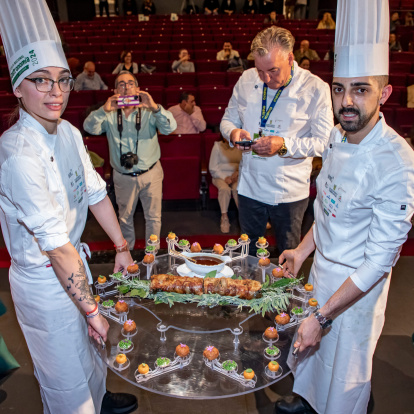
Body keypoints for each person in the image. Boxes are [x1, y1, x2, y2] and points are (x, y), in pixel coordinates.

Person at [275, 1, 414, 413]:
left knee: (346, 381)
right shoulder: (336, 136)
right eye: (339, 88)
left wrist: (324, 315)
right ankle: (305, 401)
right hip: (321, 273)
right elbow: (328, 207)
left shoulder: (397, 162)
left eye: (361, 89)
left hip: (356, 292)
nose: (346, 101)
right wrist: (301, 251)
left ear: (385, 93)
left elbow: (379, 262)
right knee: (312, 364)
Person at [0, 1, 137, 413]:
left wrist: (121, 246)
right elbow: (56, 246)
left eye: (62, 81)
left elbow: (94, 192)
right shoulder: (17, 154)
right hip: (44, 283)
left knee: (93, 357)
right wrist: (93, 309)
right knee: (65, 382)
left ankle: (101, 398)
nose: (55, 92)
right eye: (40, 81)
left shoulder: (69, 133)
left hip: (74, 267)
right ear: (17, 88)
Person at [220, 26, 334, 255]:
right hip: (250, 187)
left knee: (288, 256)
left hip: (289, 193)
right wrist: (233, 133)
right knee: (247, 255)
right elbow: (227, 120)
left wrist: (283, 145)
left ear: (290, 58)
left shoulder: (315, 88)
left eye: (272, 70)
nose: (266, 78)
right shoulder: (246, 79)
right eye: (260, 71)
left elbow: (324, 143)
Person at [84, 71, 177, 246]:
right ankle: (128, 260)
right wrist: (104, 109)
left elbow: (169, 128)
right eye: (121, 84)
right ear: (115, 90)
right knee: (124, 219)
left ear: (138, 89)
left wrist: (154, 106)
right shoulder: (109, 113)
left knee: (153, 219)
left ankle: (152, 257)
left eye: (130, 83)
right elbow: (89, 127)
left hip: (151, 174)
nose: (126, 87)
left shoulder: (149, 112)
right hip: (123, 176)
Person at [209, 139, 242, 233]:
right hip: (220, 176)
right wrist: (225, 177)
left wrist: (238, 173)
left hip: (236, 176)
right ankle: (224, 218)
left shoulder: (240, 146)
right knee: (224, 189)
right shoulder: (217, 146)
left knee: (237, 189)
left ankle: (244, 217)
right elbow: (213, 168)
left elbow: (245, 163)